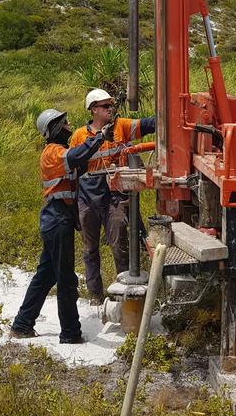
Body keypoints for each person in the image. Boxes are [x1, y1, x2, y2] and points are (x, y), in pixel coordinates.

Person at [10, 108, 107, 344]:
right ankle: (71, 333)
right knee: (66, 279)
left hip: (57, 220)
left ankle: (22, 324)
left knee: (46, 275)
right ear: (54, 128)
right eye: (65, 123)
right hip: (57, 219)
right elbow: (76, 157)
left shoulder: (61, 152)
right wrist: (99, 137)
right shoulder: (52, 153)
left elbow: (80, 160)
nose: (69, 125)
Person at [69, 88, 155, 304]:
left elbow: (147, 124)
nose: (111, 109)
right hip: (87, 197)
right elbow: (73, 167)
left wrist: (167, 115)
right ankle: (95, 295)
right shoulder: (80, 136)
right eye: (106, 106)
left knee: (119, 245)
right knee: (90, 249)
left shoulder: (121, 127)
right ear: (93, 110)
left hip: (114, 196)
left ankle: (123, 295)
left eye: (111, 105)